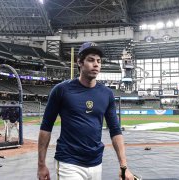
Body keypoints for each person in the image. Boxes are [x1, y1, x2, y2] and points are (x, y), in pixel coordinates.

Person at [37, 42, 134, 180]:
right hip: (68, 163)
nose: (96, 64)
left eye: (99, 61)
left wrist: (123, 166)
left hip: (96, 164)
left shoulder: (107, 94)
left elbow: (115, 131)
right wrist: (41, 164)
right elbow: (46, 128)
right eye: (91, 60)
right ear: (79, 62)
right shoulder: (61, 90)